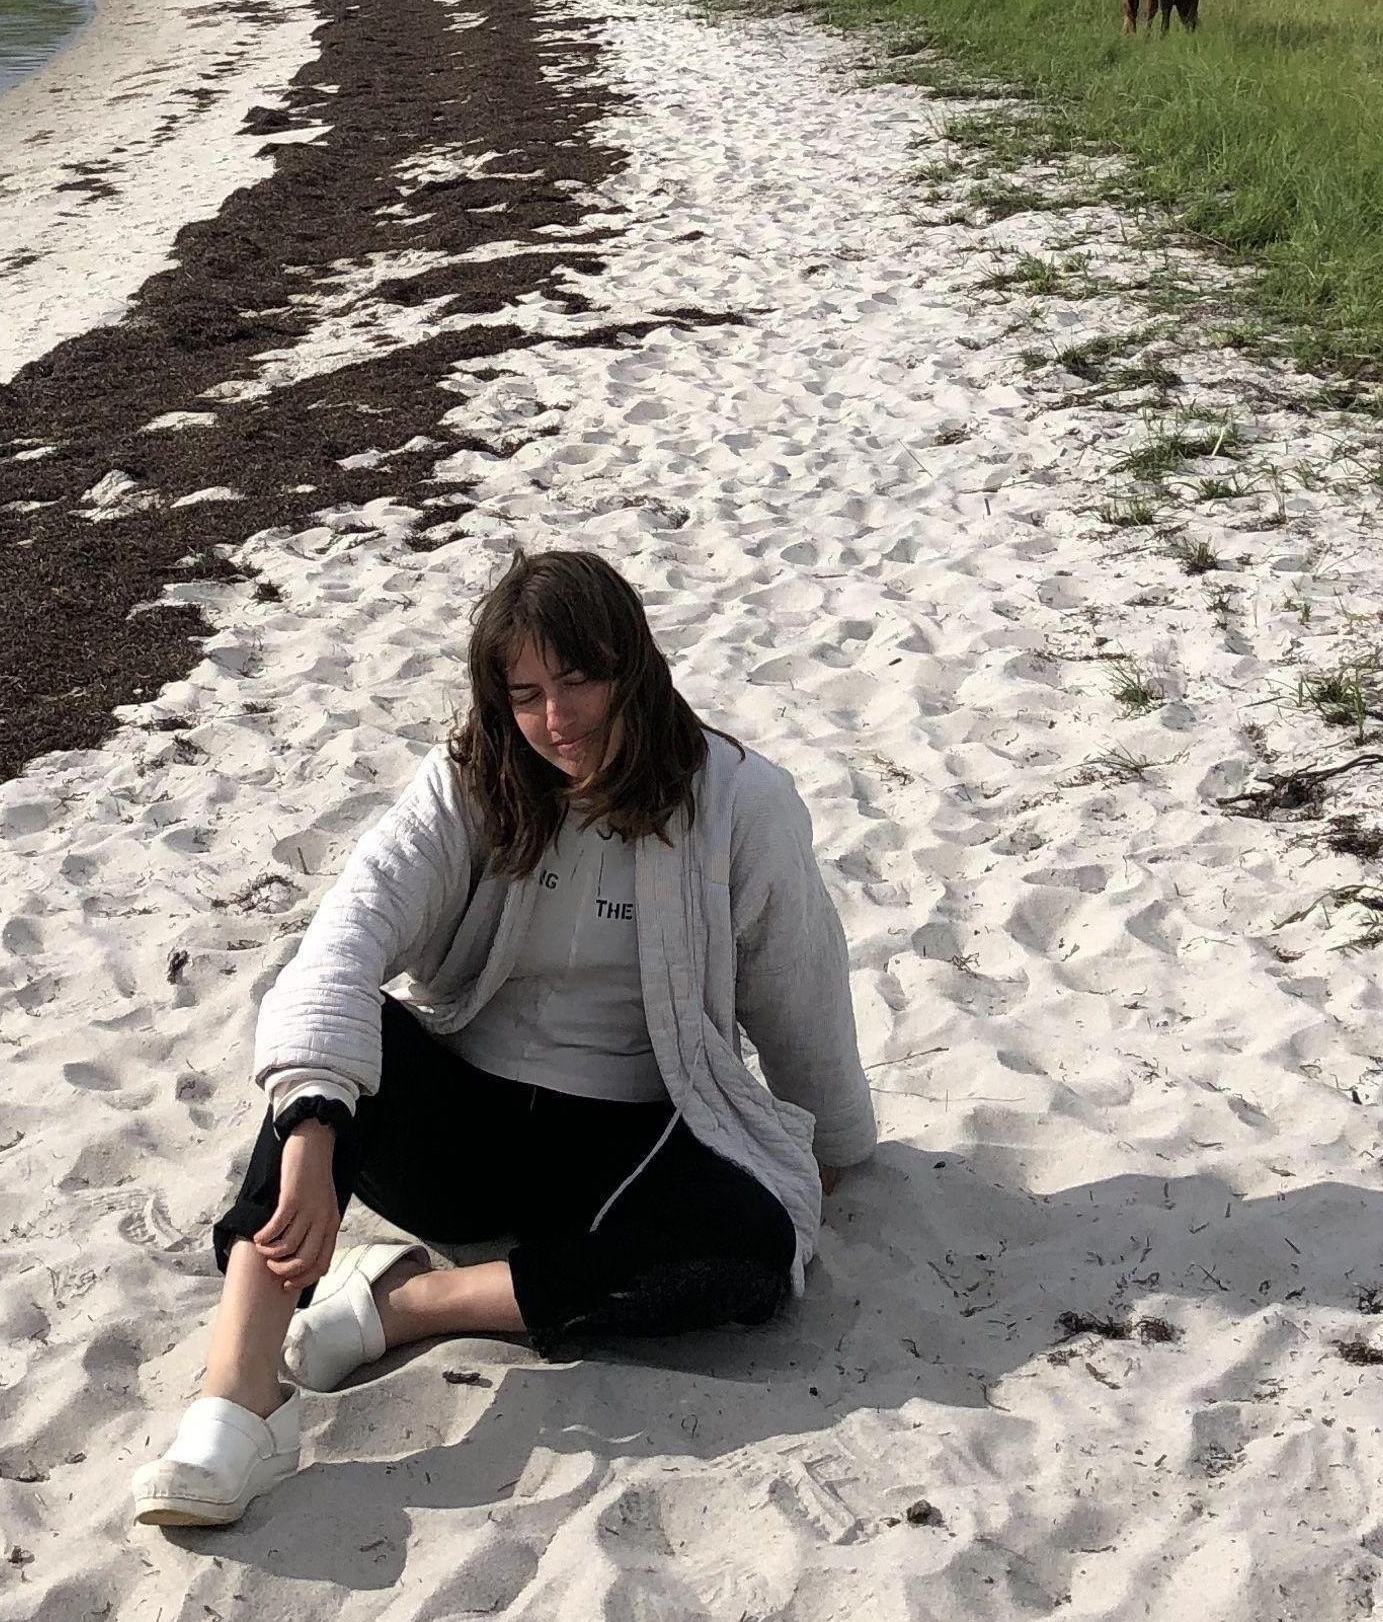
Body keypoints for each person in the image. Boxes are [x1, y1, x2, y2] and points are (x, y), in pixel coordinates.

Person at [132, 547, 876, 1530]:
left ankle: (415, 1302)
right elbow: (340, 943)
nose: (557, 720)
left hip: (628, 1146)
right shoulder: (470, 783)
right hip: (461, 1131)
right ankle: (233, 1399)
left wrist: (835, 1147)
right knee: (332, 1059)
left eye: (578, 678)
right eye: (526, 692)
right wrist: (313, 1130)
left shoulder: (741, 800)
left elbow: (797, 985)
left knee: (754, 1252)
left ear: (634, 667)